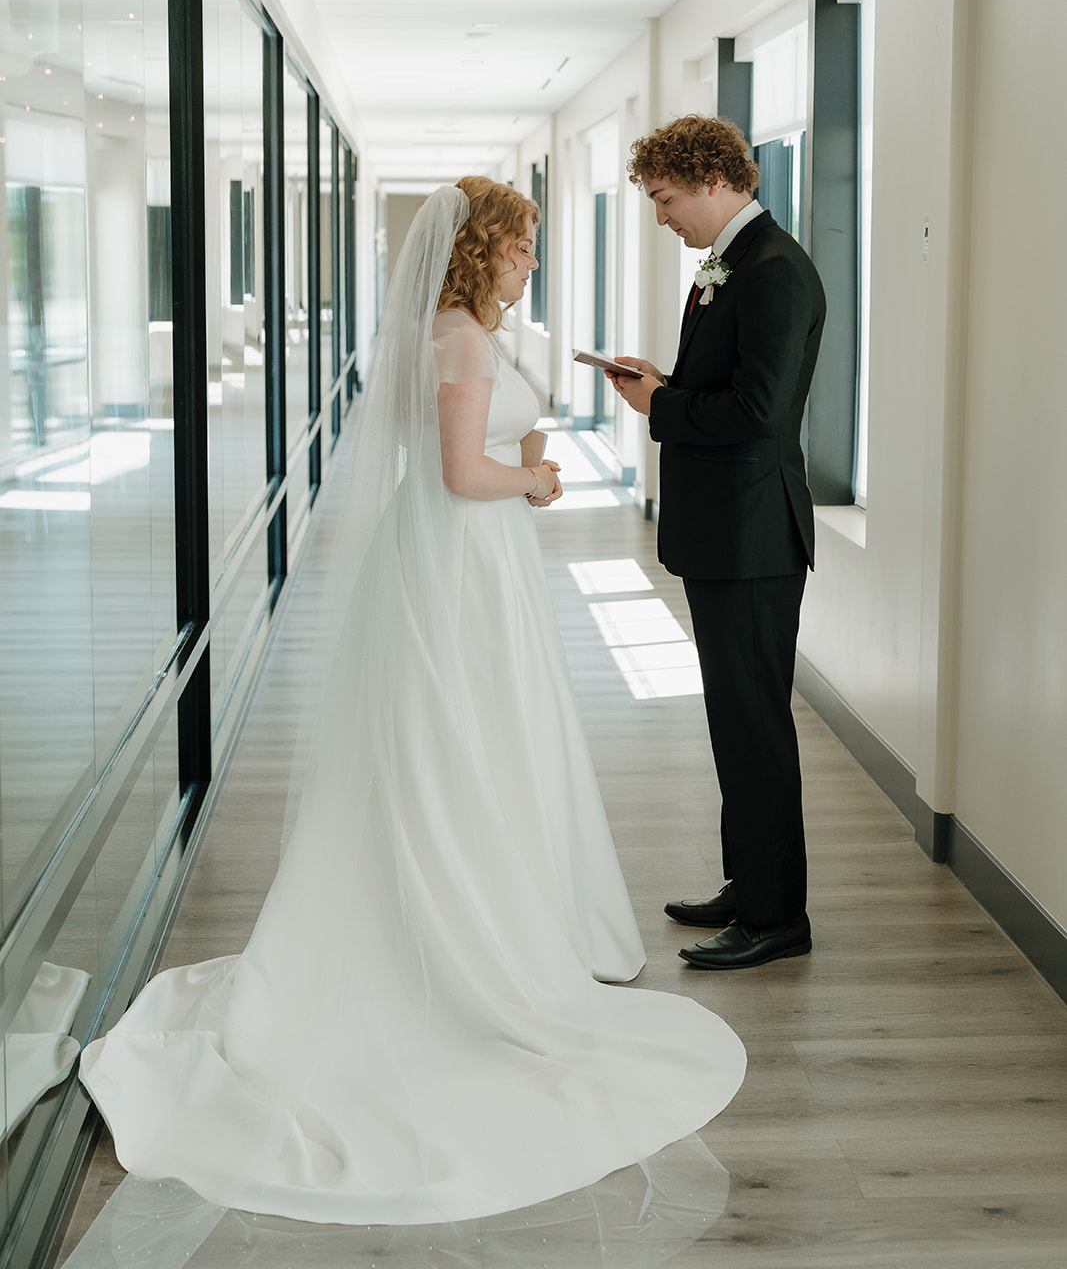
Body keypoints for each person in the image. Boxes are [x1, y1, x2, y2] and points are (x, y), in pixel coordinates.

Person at [79, 178, 745, 1227]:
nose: (531, 263)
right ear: (479, 252)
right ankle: (464, 932)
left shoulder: (469, 329)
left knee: (473, 742)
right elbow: (453, 473)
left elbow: (469, 455)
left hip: (474, 561)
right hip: (459, 556)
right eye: (521, 248)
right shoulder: (462, 340)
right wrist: (528, 481)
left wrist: (522, 462)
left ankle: (486, 901)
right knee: (459, 742)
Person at [611, 117, 826, 972]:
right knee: (735, 723)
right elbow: (726, 386)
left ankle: (777, 916)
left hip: (753, 534)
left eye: (664, 199)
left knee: (754, 726)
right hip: (726, 532)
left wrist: (658, 409)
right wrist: (663, 384)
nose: (661, 216)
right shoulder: (736, 261)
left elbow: (756, 415)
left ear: (709, 182)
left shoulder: (772, 272)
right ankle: (751, 884)